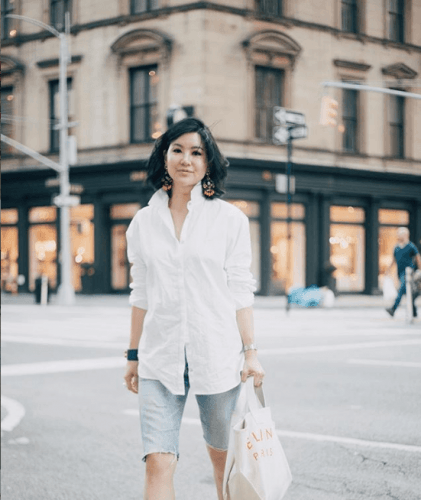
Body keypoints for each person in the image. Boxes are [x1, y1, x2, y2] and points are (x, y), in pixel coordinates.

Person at [124, 117, 265, 500]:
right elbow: (141, 293)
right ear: (165, 157)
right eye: (178, 150)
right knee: (157, 461)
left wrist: (250, 352)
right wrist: (133, 354)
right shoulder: (142, 223)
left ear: (208, 162)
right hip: (159, 356)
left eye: (196, 152)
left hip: (216, 355)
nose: (186, 159)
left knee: (224, 464)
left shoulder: (229, 220)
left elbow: (241, 289)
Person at [385, 227, 421, 318]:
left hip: (409, 273)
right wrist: (388, 270)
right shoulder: (396, 247)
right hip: (400, 273)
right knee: (408, 292)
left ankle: (393, 309)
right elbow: (394, 260)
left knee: (401, 291)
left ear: (405, 235)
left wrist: (420, 270)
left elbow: (418, 258)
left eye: (399, 234)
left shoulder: (411, 246)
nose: (398, 236)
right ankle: (414, 311)